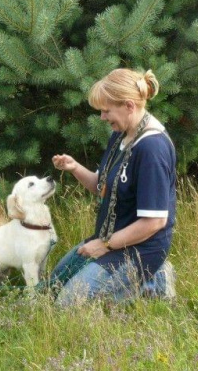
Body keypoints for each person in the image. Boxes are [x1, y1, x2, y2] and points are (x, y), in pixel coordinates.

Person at [50, 68, 176, 306]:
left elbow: (154, 222)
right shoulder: (120, 135)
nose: (102, 117)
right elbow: (102, 187)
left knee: (67, 304)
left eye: (106, 111)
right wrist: (74, 167)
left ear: (129, 106)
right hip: (110, 239)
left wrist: (104, 245)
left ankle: (154, 280)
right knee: (54, 285)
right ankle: (142, 284)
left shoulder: (152, 149)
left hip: (140, 249)